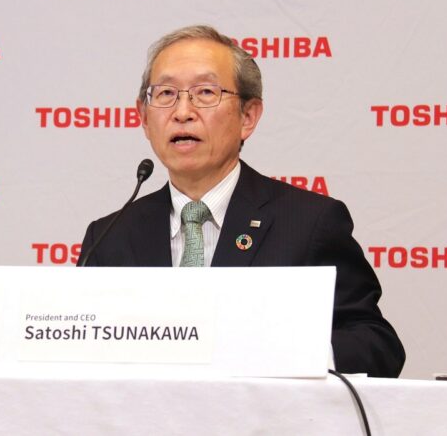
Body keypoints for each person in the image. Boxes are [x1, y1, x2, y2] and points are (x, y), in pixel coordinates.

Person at [77, 25, 405, 378]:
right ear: (143, 117)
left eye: (205, 92)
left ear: (248, 117)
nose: (182, 111)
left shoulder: (309, 222)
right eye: (166, 93)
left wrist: (286, 355)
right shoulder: (109, 237)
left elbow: (377, 345)